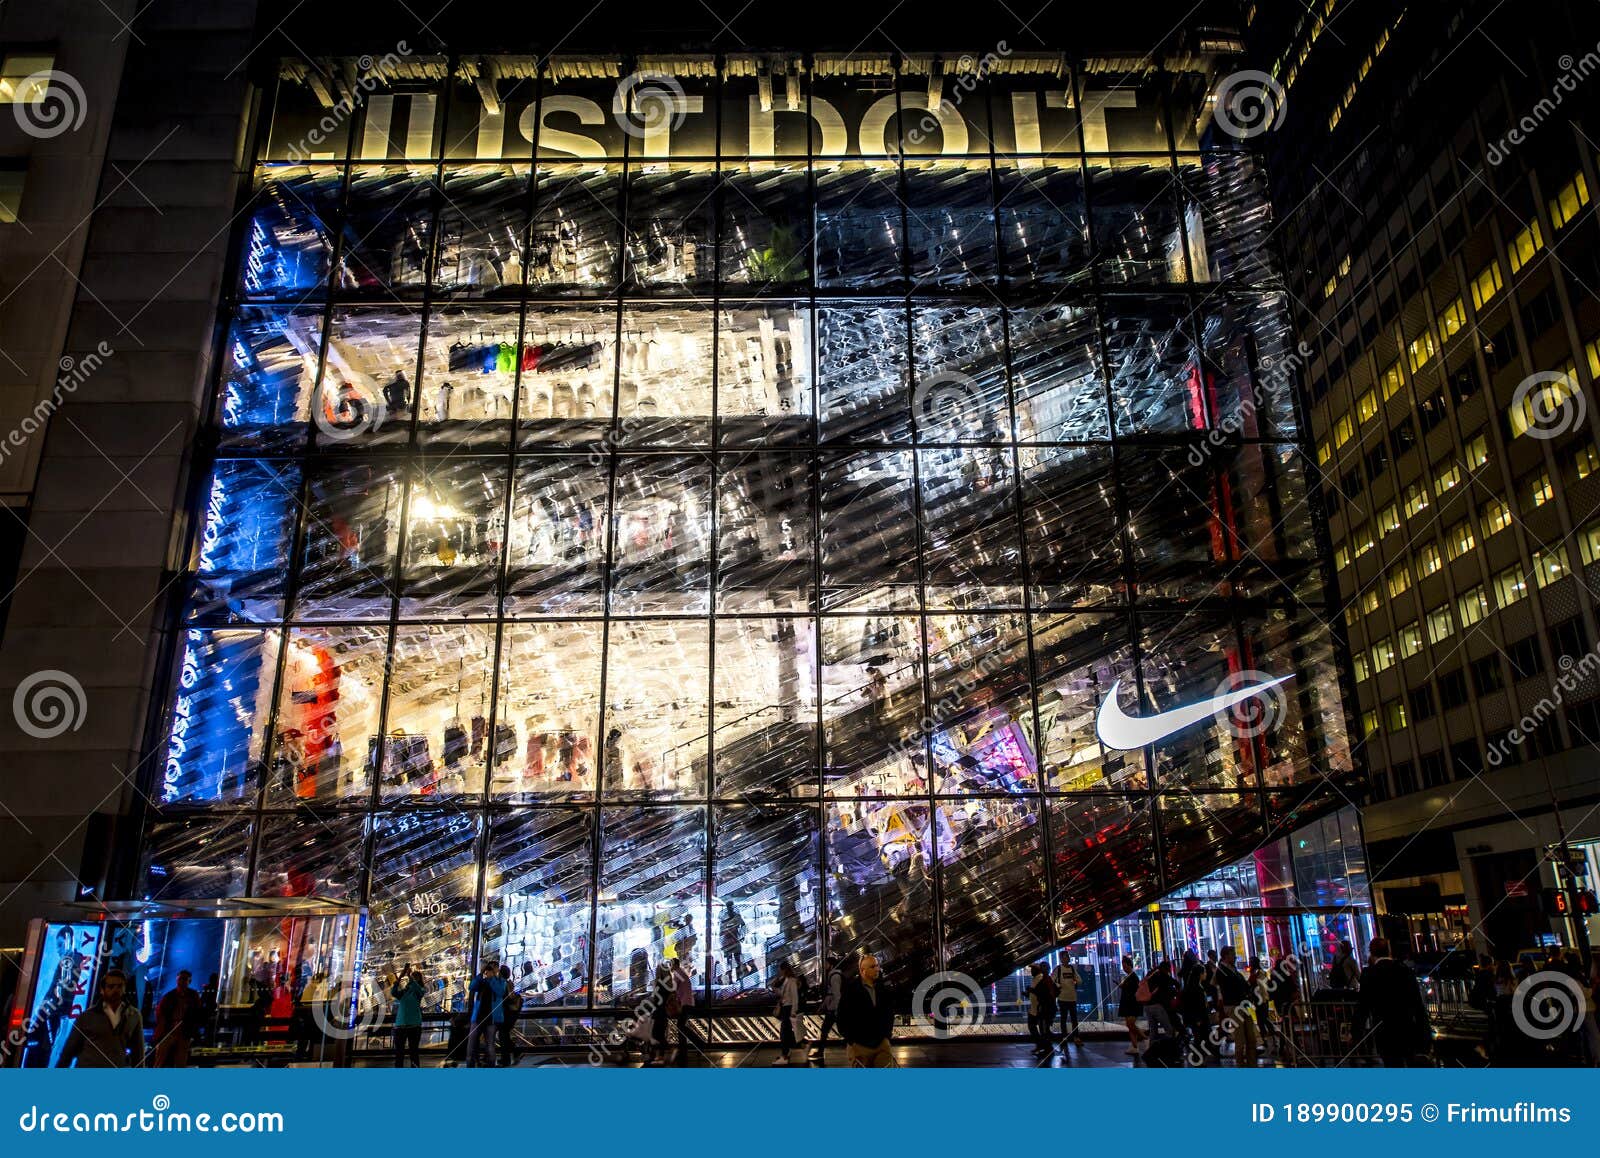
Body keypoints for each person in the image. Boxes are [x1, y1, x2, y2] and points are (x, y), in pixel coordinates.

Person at [1355, 937, 1430, 1067]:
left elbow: (1363, 1007)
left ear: (1371, 953)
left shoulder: (1370, 974)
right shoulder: (1404, 970)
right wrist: (1424, 1032)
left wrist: (1356, 1031)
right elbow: (1417, 1004)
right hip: (1406, 1027)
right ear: (1389, 950)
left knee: (1392, 1064)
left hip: (1384, 1031)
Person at [57, 969, 144, 1068]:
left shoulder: (133, 1016)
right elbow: (68, 1051)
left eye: (119, 986)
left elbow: (139, 1054)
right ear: (102, 990)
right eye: (111, 987)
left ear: (124, 989)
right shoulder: (87, 1016)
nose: (116, 990)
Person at [837, 952, 896, 1067]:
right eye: (873, 966)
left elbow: (889, 1013)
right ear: (862, 970)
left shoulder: (883, 988)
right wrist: (851, 1041)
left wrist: (886, 1037)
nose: (877, 969)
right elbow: (842, 1017)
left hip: (881, 1045)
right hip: (859, 1046)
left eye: (877, 965)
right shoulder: (851, 990)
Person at [1215, 946, 1259, 1066]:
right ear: (1226, 956)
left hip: (1241, 1005)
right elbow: (1230, 988)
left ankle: (1251, 1064)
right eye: (1232, 954)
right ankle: (1241, 1065)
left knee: (1251, 1038)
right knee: (1240, 1039)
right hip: (1234, 1006)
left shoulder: (1232, 969)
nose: (1235, 956)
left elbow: (1242, 985)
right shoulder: (1222, 971)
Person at [152, 969, 201, 1068]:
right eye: (180, 979)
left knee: (181, 1059)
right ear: (177, 980)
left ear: (189, 981)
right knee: (160, 1057)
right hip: (169, 1030)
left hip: (184, 1031)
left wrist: (192, 1029)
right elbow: (160, 1013)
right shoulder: (170, 996)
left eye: (184, 979)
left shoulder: (193, 996)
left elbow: (197, 1013)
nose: (182, 982)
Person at [465, 961, 506, 1068]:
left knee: (490, 1044)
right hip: (478, 1016)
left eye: (493, 968)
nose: (491, 970)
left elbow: (500, 992)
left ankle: (491, 1065)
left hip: (491, 1018)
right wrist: (481, 974)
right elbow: (472, 987)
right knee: (471, 1043)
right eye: (489, 968)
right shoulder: (481, 981)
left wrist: (491, 978)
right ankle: (470, 1065)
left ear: (497, 969)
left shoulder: (500, 981)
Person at [809, 954, 848, 1064]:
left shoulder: (834, 976)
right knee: (831, 1030)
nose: (824, 965)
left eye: (826, 963)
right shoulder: (834, 975)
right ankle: (820, 1052)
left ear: (831, 965)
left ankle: (820, 1053)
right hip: (834, 1008)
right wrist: (823, 1006)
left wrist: (836, 1009)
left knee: (829, 1030)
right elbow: (831, 994)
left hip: (834, 1009)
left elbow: (836, 994)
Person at [390, 965, 425, 1067]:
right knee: (399, 1053)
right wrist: (398, 980)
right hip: (400, 1026)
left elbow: (418, 989)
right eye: (412, 977)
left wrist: (409, 976)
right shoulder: (405, 991)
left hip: (414, 1026)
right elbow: (394, 992)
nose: (412, 979)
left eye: (415, 977)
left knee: (413, 1052)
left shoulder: (420, 991)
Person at [773, 961, 801, 1066]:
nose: (779, 972)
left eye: (780, 969)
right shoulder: (786, 980)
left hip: (789, 1009)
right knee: (787, 1032)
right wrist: (776, 989)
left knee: (784, 1033)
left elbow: (794, 996)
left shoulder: (791, 981)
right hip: (786, 1008)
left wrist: (794, 1011)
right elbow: (785, 995)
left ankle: (785, 1055)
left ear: (784, 969)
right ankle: (788, 1052)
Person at [1117, 956, 1145, 1057]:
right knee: (1129, 1025)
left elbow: (1132, 990)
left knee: (1131, 1024)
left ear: (1129, 966)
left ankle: (1145, 1038)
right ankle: (1134, 1046)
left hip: (1132, 1004)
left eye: (1125, 966)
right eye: (1123, 966)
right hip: (1128, 1003)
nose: (1124, 968)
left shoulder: (1133, 977)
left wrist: (1123, 986)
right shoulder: (1129, 977)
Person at [669, 956, 695, 1064]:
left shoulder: (677, 973)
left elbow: (673, 989)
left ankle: (692, 1043)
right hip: (688, 1002)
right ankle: (683, 1050)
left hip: (685, 1003)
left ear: (674, 965)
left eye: (670, 965)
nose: (669, 967)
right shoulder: (681, 973)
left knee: (681, 1027)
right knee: (681, 1027)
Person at [1052, 955, 1083, 1044]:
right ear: (1061, 959)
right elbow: (1052, 979)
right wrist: (1058, 985)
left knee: (1073, 1019)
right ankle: (1065, 1036)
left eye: (1067, 958)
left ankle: (1075, 1037)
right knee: (1064, 1018)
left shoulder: (1072, 969)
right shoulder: (1058, 969)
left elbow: (1080, 980)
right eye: (1064, 958)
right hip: (1063, 998)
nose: (1066, 959)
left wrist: (1075, 980)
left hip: (1072, 997)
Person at [497, 964, 521, 1067]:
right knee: (504, 1036)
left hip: (505, 1015)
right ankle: (512, 1054)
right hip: (510, 1015)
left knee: (503, 1036)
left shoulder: (503, 985)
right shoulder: (509, 984)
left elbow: (503, 999)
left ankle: (507, 1058)